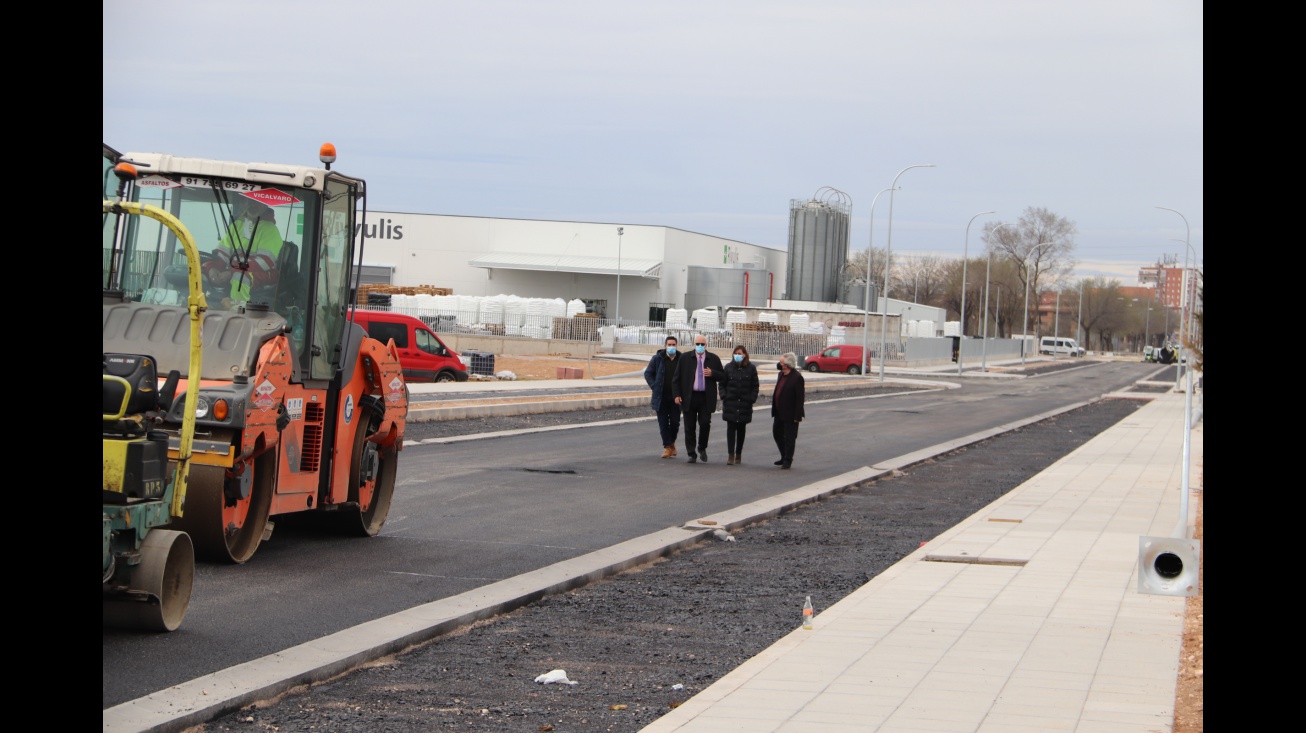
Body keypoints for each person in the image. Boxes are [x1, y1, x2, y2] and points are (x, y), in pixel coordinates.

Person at [203, 196, 284, 307]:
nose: (253, 204)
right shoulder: (236, 226)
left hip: (264, 274)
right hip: (237, 270)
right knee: (198, 271)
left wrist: (230, 272)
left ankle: (238, 312)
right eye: (250, 200)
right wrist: (212, 267)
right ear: (243, 203)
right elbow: (222, 253)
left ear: (265, 204)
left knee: (240, 278)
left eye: (257, 201)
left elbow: (264, 262)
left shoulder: (270, 230)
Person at [672, 334, 724, 464]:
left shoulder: (714, 359)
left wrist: (713, 373)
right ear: (694, 345)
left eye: (702, 344)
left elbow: (723, 376)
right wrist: (677, 395)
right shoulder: (685, 358)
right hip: (689, 396)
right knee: (689, 426)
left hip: (706, 397)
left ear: (706, 345)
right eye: (697, 344)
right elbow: (676, 379)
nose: (700, 347)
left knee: (705, 423)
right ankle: (691, 453)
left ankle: (702, 447)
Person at [718, 344, 759, 465]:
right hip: (731, 403)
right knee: (731, 429)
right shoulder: (728, 368)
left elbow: (755, 385)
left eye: (739, 353)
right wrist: (724, 396)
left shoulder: (751, 368)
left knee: (741, 430)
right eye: (735, 353)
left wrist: (752, 398)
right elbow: (722, 384)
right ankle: (730, 454)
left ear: (745, 355)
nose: (737, 356)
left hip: (744, 404)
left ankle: (738, 454)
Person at [643, 335, 682, 459]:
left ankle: (672, 442)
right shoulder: (657, 359)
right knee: (663, 423)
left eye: (673, 345)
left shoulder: (681, 359)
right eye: (669, 345)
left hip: (676, 397)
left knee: (675, 422)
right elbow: (648, 373)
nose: (671, 347)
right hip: (661, 397)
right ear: (665, 346)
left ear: (676, 346)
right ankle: (667, 447)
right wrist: (655, 386)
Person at [771, 351, 806, 469]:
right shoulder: (781, 374)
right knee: (777, 433)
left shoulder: (797, 378)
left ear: (786, 365)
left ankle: (788, 460)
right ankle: (783, 455)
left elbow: (800, 398)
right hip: (779, 412)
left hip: (791, 414)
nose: (779, 364)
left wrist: (797, 416)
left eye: (780, 362)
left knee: (789, 437)